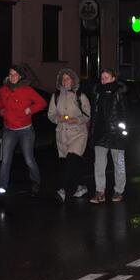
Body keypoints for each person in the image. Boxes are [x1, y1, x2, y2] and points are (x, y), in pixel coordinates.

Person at [0, 65, 47, 197]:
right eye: (11, 74)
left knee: (29, 158)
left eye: (15, 74)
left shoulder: (27, 90)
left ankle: (36, 181)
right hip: (9, 129)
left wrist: (31, 110)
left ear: (20, 76)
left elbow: (42, 103)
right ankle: (2, 186)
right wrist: (1, 111)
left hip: (25, 131)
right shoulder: (3, 90)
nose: (13, 77)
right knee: (5, 159)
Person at [48, 68, 91, 203]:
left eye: (68, 78)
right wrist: (57, 119)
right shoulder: (56, 96)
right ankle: (81, 186)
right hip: (62, 135)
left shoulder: (81, 96)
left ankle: (62, 190)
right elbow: (51, 115)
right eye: (63, 79)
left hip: (78, 134)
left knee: (71, 160)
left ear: (73, 80)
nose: (65, 81)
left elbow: (87, 115)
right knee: (73, 164)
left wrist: (76, 120)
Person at [89, 68, 128, 203]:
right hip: (101, 134)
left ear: (113, 78)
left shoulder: (119, 93)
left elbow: (125, 114)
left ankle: (119, 191)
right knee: (98, 164)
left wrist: (123, 131)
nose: (103, 79)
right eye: (102, 77)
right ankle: (100, 191)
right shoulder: (98, 92)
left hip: (116, 134)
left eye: (106, 77)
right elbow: (94, 114)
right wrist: (93, 132)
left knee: (119, 164)